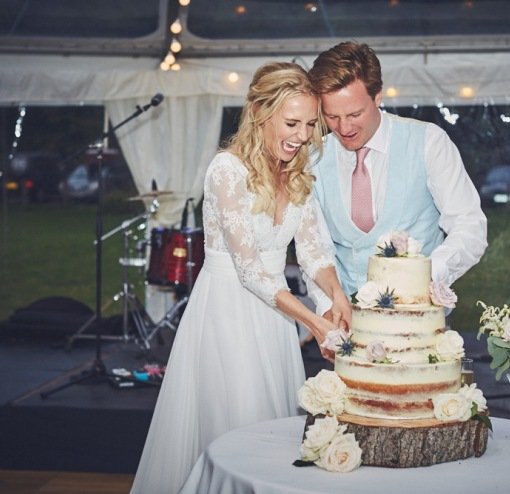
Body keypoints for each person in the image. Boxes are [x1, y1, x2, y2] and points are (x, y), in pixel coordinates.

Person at [130, 62, 352, 494]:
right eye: (292, 123)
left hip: (274, 316)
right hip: (228, 312)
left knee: (273, 435)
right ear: (260, 113)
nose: (303, 135)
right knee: (239, 432)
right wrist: (315, 322)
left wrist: (336, 295)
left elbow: (313, 251)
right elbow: (250, 270)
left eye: (310, 124)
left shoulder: (300, 170)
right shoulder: (226, 170)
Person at [305, 41, 488, 315]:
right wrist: (327, 308)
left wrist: (425, 274)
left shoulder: (429, 142)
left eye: (355, 114)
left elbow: (470, 226)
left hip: (421, 324)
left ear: (378, 96)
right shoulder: (313, 159)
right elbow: (315, 248)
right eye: (332, 116)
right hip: (350, 325)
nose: (344, 128)